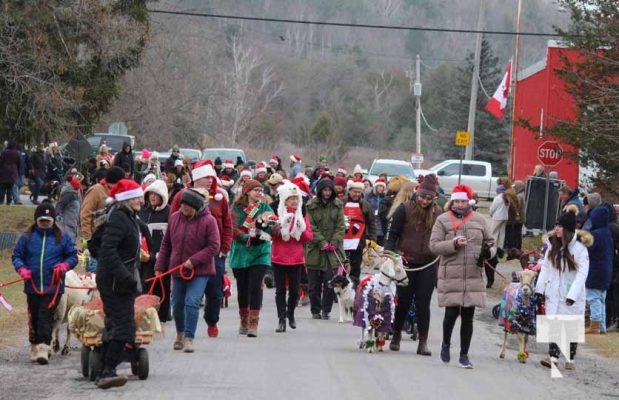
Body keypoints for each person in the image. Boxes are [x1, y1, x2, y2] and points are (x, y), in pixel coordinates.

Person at [429, 184, 495, 369]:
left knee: (468, 315)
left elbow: (491, 243)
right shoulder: (442, 220)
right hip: (451, 273)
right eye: (457, 201)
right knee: (451, 313)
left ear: (469, 202)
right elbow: (434, 245)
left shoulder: (480, 219)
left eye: (463, 201)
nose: (459, 204)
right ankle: (445, 345)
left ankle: (464, 355)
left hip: (473, 274)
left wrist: (487, 253)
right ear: (452, 201)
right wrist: (453, 244)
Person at [12, 202, 77, 364]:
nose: (45, 223)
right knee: (33, 316)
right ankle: (34, 345)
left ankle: (44, 347)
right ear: (36, 220)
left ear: (53, 221)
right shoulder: (27, 237)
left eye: (48, 220)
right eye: (42, 220)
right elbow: (17, 256)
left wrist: (64, 266)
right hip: (32, 285)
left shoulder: (62, 238)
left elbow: (73, 256)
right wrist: (22, 269)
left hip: (53, 286)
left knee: (45, 316)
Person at [155, 188, 220, 351]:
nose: (184, 208)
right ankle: (180, 334)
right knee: (176, 304)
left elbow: (214, 246)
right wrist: (159, 266)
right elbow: (166, 244)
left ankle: (189, 338)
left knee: (192, 301)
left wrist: (193, 261)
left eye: (188, 206)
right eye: (183, 205)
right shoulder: (175, 218)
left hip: (200, 271)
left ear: (197, 207)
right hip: (177, 269)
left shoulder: (209, 221)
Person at [95, 179, 144, 388]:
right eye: (137, 196)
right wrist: (125, 276)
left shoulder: (128, 216)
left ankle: (102, 370)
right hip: (115, 282)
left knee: (117, 324)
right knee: (125, 328)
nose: (141, 200)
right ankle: (108, 371)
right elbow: (107, 251)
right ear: (127, 199)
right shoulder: (118, 218)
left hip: (120, 281)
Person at [385, 174, 442, 355]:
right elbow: (392, 234)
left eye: (428, 198)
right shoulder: (404, 209)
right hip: (407, 263)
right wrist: (389, 253)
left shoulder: (439, 214)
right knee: (403, 301)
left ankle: (422, 342)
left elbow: (445, 236)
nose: (424, 201)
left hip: (428, 263)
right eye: (422, 197)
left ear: (434, 198)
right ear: (417, 193)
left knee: (423, 302)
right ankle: (396, 335)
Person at [535, 205, 591, 370]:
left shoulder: (580, 249)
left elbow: (582, 274)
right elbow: (545, 267)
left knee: (571, 325)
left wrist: (572, 294)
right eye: (556, 225)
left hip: (571, 293)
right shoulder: (552, 245)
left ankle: (570, 358)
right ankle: (553, 357)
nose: (556, 229)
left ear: (567, 229)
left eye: (559, 226)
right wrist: (540, 289)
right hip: (554, 291)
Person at [229, 179, 274, 337]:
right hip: (241, 252)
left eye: (260, 190)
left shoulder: (264, 207)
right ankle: (244, 319)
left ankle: (254, 323)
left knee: (255, 286)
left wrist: (265, 227)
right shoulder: (236, 208)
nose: (258, 193)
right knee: (243, 288)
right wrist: (246, 237)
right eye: (255, 190)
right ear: (247, 191)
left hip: (260, 251)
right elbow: (232, 229)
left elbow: (272, 223)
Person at [271, 182, 313, 332]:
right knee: (280, 290)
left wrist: (298, 231)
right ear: (285, 201)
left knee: (295, 290)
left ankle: (291, 314)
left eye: (296, 198)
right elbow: (271, 234)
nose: (294, 201)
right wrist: (278, 229)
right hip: (279, 257)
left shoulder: (301, 217)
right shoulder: (277, 214)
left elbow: (308, 236)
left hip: (296, 258)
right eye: (291, 199)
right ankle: (281, 318)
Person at [305, 178, 346, 320]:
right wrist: (321, 241)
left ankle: (326, 310)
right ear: (320, 191)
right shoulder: (311, 206)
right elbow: (310, 226)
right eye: (325, 190)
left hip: (332, 250)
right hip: (315, 249)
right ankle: (315, 309)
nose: (327, 193)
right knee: (313, 284)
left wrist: (335, 241)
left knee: (330, 280)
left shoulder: (338, 205)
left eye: (329, 190)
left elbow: (341, 225)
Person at [79, 166, 125, 272]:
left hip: (112, 242)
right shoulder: (96, 190)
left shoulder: (119, 193)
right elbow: (85, 214)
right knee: (94, 276)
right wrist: (88, 239)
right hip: (96, 242)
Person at [138, 179, 171, 323]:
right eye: (150, 193)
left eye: (156, 194)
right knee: (145, 283)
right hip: (144, 255)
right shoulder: (142, 212)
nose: (152, 197)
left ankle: (163, 315)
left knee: (162, 285)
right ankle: (145, 314)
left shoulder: (169, 212)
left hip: (162, 255)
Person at [584, 205, 613, 334]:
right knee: (601, 299)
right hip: (606, 270)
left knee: (593, 297)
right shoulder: (607, 232)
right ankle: (602, 326)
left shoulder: (596, 234)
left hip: (596, 270)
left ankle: (595, 324)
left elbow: (588, 250)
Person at [343, 179, 376, 289]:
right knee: (342, 265)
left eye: (359, 192)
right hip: (342, 239)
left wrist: (372, 238)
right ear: (349, 191)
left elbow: (371, 222)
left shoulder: (365, 205)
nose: (356, 194)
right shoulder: (341, 202)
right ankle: (340, 287)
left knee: (356, 265)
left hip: (358, 240)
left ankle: (354, 287)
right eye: (354, 191)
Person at [55, 176, 82, 242]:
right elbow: (60, 205)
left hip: (73, 221)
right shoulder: (69, 194)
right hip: (68, 221)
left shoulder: (75, 194)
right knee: (69, 240)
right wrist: (58, 215)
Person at [365, 178, 388, 246]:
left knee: (380, 246)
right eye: (379, 186)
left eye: (382, 187)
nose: (381, 188)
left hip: (380, 224)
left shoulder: (385, 198)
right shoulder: (369, 197)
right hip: (371, 223)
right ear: (375, 187)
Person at [489, 183, 509, 249]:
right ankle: (500, 248)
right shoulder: (507, 198)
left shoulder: (498, 198)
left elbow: (493, 208)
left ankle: (493, 247)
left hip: (497, 217)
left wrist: (491, 213)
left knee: (494, 232)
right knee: (502, 233)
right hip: (505, 217)